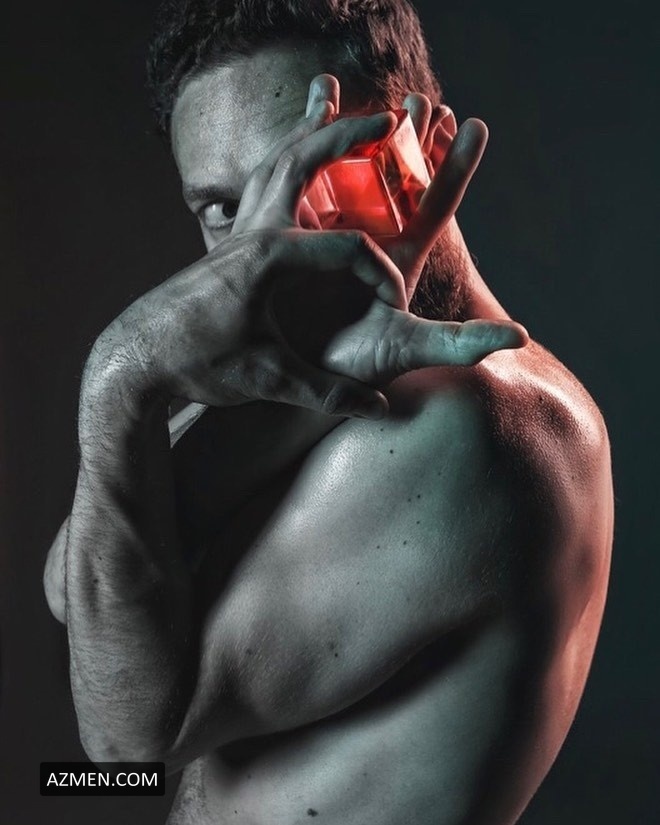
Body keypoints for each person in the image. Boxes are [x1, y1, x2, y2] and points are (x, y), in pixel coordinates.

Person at [43, 1, 614, 823]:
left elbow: (125, 734)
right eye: (223, 209)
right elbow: (73, 582)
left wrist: (121, 374)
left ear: (422, 151)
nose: (261, 248)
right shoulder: (324, 374)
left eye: (306, 169)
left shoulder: (464, 425)